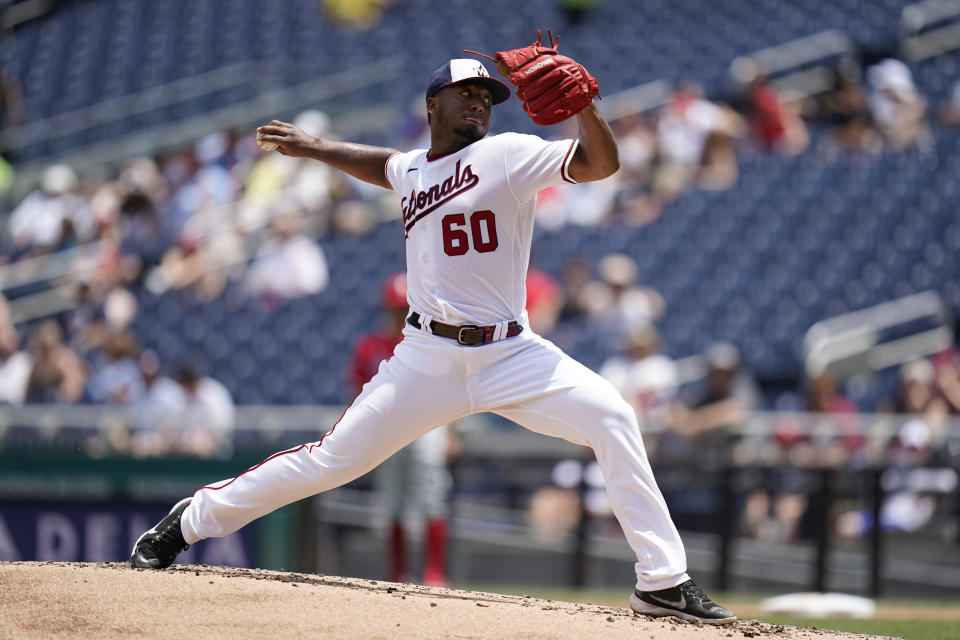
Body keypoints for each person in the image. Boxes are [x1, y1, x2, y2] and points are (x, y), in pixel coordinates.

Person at [130, 57, 735, 624]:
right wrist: (313, 147)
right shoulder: (412, 169)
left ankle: (661, 579)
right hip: (425, 358)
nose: (478, 102)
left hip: (510, 352)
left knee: (613, 415)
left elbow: (601, 165)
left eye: (485, 96)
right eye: (464, 94)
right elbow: (384, 166)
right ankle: (191, 521)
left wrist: (586, 108)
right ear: (432, 106)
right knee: (331, 462)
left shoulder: (507, 154)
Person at [348, 272, 454, 586]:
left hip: (427, 425)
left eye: (403, 308)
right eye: (395, 309)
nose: (399, 315)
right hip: (386, 429)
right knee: (391, 501)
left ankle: (433, 571)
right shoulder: (370, 347)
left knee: (431, 497)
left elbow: (450, 391)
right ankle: (397, 571)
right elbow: (357, 392)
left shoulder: (430, 343)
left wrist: (452, 431)